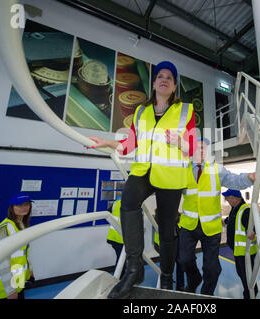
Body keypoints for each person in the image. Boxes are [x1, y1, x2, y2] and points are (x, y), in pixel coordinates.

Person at [89, 61, 196, 298]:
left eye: (169, 76)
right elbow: (132, 144)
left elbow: (194, 148)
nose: (164, 79)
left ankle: (167, 277)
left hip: (170, 176)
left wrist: (181, 142)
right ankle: (134, 267)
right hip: (143, 172)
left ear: (175, 85)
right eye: (160, 76)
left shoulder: (186, 111)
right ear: (154, 83)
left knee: (167, 230)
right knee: (128, 203)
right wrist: (109, 143)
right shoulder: (141, 111)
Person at [179, 137, 260, 295]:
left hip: (211, 228)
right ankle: (194, 279)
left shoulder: (216, 170)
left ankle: (206, 294)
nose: (202, 150)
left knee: (211, 268)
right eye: (198, 148)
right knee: (183, 259)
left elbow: (234, 180)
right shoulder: (183, 171)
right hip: (188, 225)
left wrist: (249, 178)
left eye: (204, 148)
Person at [0, 193, 35, 299]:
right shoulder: (5, 228)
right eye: (20, 205)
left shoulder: (21, 226)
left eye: (27, 204)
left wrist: (30, 270)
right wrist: (10, 290)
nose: (24, 207)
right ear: (12, 207)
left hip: (17, 280)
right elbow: (1, 261)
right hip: (4, 285)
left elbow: (23, 253)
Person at [223, 189, 258, 299]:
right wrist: (225, 221)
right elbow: (233, 220)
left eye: (228, 198)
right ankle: (249, 294)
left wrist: (252, 232)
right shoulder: (235, 209)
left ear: (236, 198)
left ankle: (250, 296)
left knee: (247, 278)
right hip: (239, 251)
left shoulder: (245, 211)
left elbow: (252, 226)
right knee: (243, 276)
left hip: (245, 253)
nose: (227, 200)